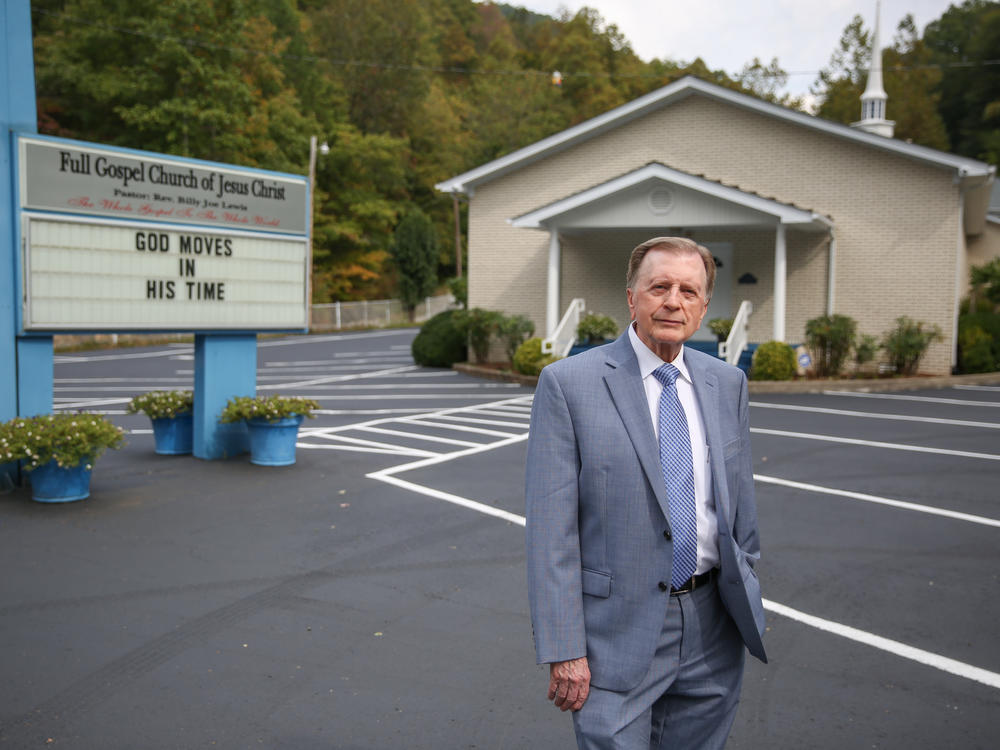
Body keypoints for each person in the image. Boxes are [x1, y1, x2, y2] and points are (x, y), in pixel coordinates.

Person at [525, 236, 767, 749]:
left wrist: (745, 577)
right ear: (632, 298)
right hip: (614, 636)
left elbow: (739, 505)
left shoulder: (727, 384)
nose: (673, 301)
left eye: (688, 291)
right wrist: (564, 647)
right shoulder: (569, 384)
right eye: (659, 287)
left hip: (712, 628)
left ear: (702, 308)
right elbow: (552, 533)